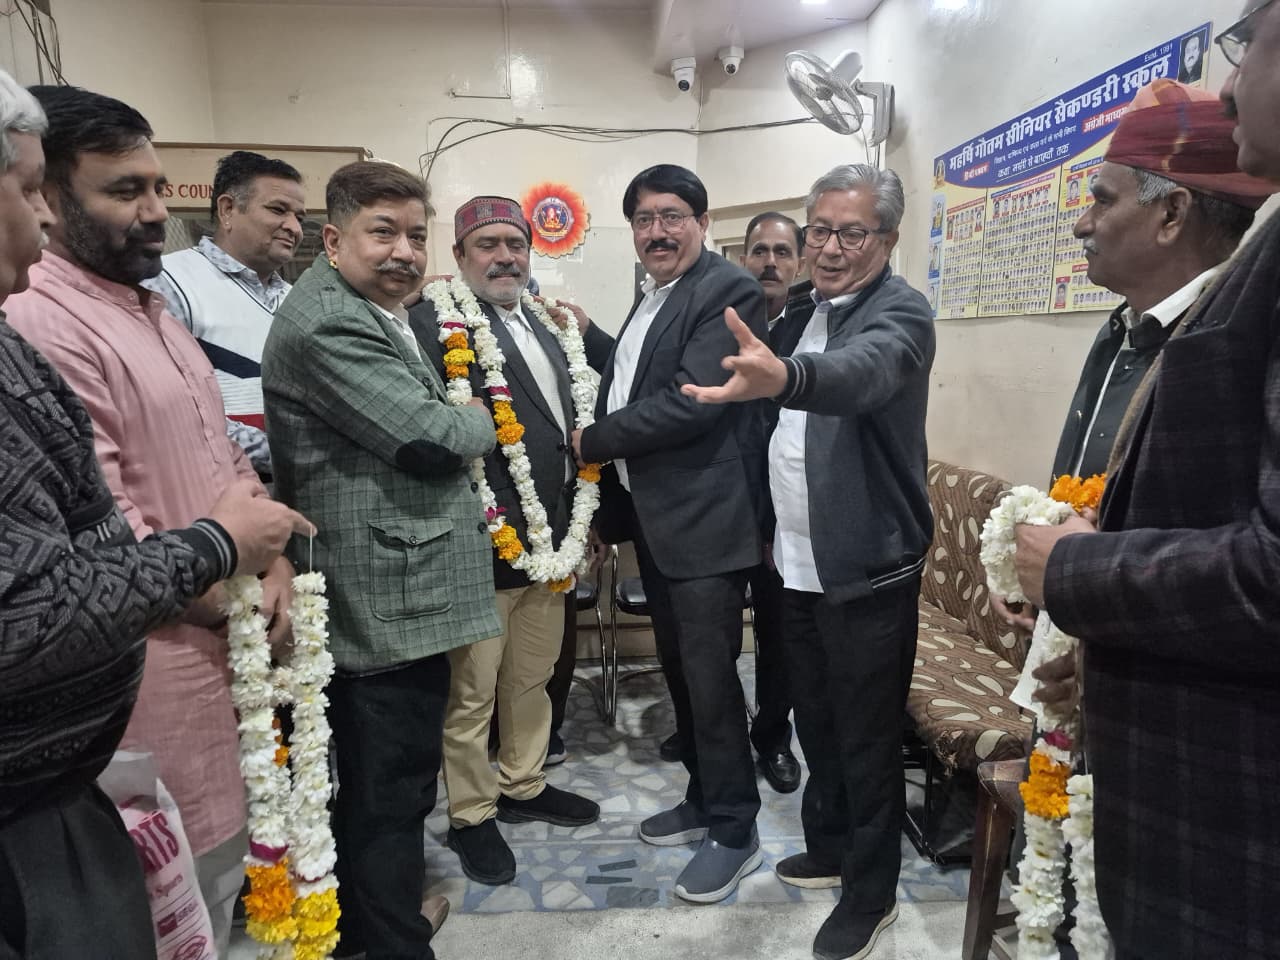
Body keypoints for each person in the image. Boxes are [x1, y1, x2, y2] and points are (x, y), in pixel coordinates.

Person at [0, 68, 309, 960]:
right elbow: (105, 530)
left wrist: (272, 563)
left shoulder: (154, 308)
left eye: (157, 188)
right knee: (166, 912)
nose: (152, 214)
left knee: (221, 893)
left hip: (227, 659)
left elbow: (226, 462)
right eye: (123, 191)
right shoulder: (44, 320)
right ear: (54, 197)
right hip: (152, 683)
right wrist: (233, 579)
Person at [1013, 20, 1280, 956]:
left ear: (1172, 217)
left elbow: (1262, 568)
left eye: (1101, 199)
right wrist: (1066, 606)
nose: (1229, 85)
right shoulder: (1121, 331)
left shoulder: (1222, 317)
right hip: (1121, 701)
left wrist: (1075, 576)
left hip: (1219, 789)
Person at [682, 163, 934, 960]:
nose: (828, 248)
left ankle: (872, 892)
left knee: (866, 737)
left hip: (867, 568)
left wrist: (788, 377)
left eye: (850, 233)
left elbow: (863, 374)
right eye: (819, 230)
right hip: (792, 561)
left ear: (887, 238)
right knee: (815, 723)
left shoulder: (901, 311)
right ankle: (830, 847)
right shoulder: (798, 311)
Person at [262, 160, 500, 960]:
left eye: (416, 236)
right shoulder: (329, 322)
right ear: (334, 241)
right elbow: (429, 440)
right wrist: (473, 418)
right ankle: (394, 943)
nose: (404, 251)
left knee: (381, 782)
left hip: (394, 587)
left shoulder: (369, 307)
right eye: (383, 232)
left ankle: (369, 926)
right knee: (389, 788)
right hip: (378, 599)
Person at [571, 163, 768, 903]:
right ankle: (704, 795)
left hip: (706, 521)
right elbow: (638, 383)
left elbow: (691, 401)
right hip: (658, 519)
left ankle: (736, 828)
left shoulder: (727, 289)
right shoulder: (656, 293)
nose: (658, 231)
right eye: (645, 219)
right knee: (683, 672)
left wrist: (590, 442)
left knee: (711, 679)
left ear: (702, 223)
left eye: (673, 216)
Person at [406, 196, 604, 886]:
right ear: (459, 256)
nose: (504, 257)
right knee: (472, 694)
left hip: (552, 538)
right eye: (487, 245)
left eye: (515, 245)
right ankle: (471, 813)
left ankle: (523, 783)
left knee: (532, 677)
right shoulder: (434, 322)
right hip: (479, 540)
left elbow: (567, 427)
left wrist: (585, 521)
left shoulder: (551, 323)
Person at [148, 150, 307, 480]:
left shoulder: (298, 299)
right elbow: (174, 409)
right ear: (227, 209)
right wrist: (296, 456)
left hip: (301, 489)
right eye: (278, 210)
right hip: (218, 491)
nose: (293, 227)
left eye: (300, 218)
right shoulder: (169, 282)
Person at [736, 210, 808, 795]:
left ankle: (773, 737)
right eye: (760, 250)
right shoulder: (718, 322)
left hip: (782, 517)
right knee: (708, 635)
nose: (770, 262)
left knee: (779, 639)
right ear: (743, 259)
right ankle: (707, 730)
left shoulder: (814, 329)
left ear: (799, 263)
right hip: (720, 510)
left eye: (782, 252)